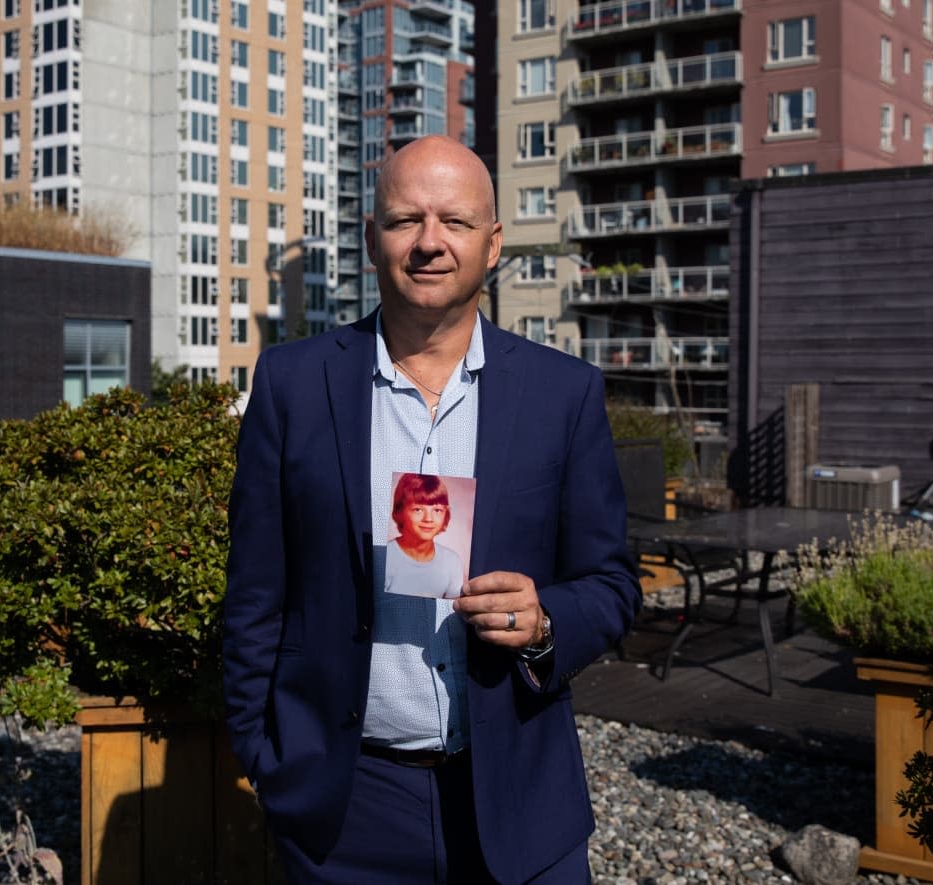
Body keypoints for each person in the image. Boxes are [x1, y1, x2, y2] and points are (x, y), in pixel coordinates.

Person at [223, 135, 638, 884]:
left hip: (516, 795)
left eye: (455, 220)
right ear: (372, 238)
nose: (429, 242)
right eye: (405, 220)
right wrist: (261, 754)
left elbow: (612, 581)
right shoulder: (292, 383)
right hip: (344, 808)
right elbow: (256, 590)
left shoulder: (563, 394)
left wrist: (545, 620)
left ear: (493, 244)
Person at [386, 472, 464, 600]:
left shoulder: (452, 561)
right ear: (399, 511)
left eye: (437, 510)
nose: (428, 519)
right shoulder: (386, 556)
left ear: (446, 514)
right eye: (418, 509)